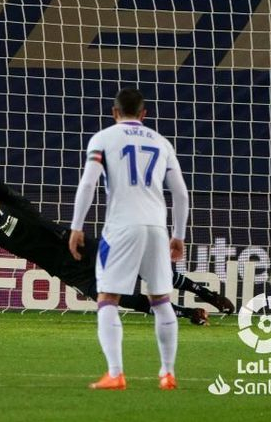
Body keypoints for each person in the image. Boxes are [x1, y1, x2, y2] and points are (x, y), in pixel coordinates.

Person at [0, 158, 232, 325]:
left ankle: (203, 293)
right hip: (68, 270)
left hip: (78, 247)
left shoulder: (15, 204)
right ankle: (187, 312)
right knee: (119, 298)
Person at [68, 87, 189, 391]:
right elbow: (181, 193)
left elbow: (88, 183)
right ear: (144, 114)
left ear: (114, 112)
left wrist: (76, 226)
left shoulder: (103, 138)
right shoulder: (162, 143)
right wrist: (178, 235)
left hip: (122, 227)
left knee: (108, 298)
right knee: (161, 300)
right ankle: (167, 373)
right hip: (156, 228)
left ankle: (115, 373)